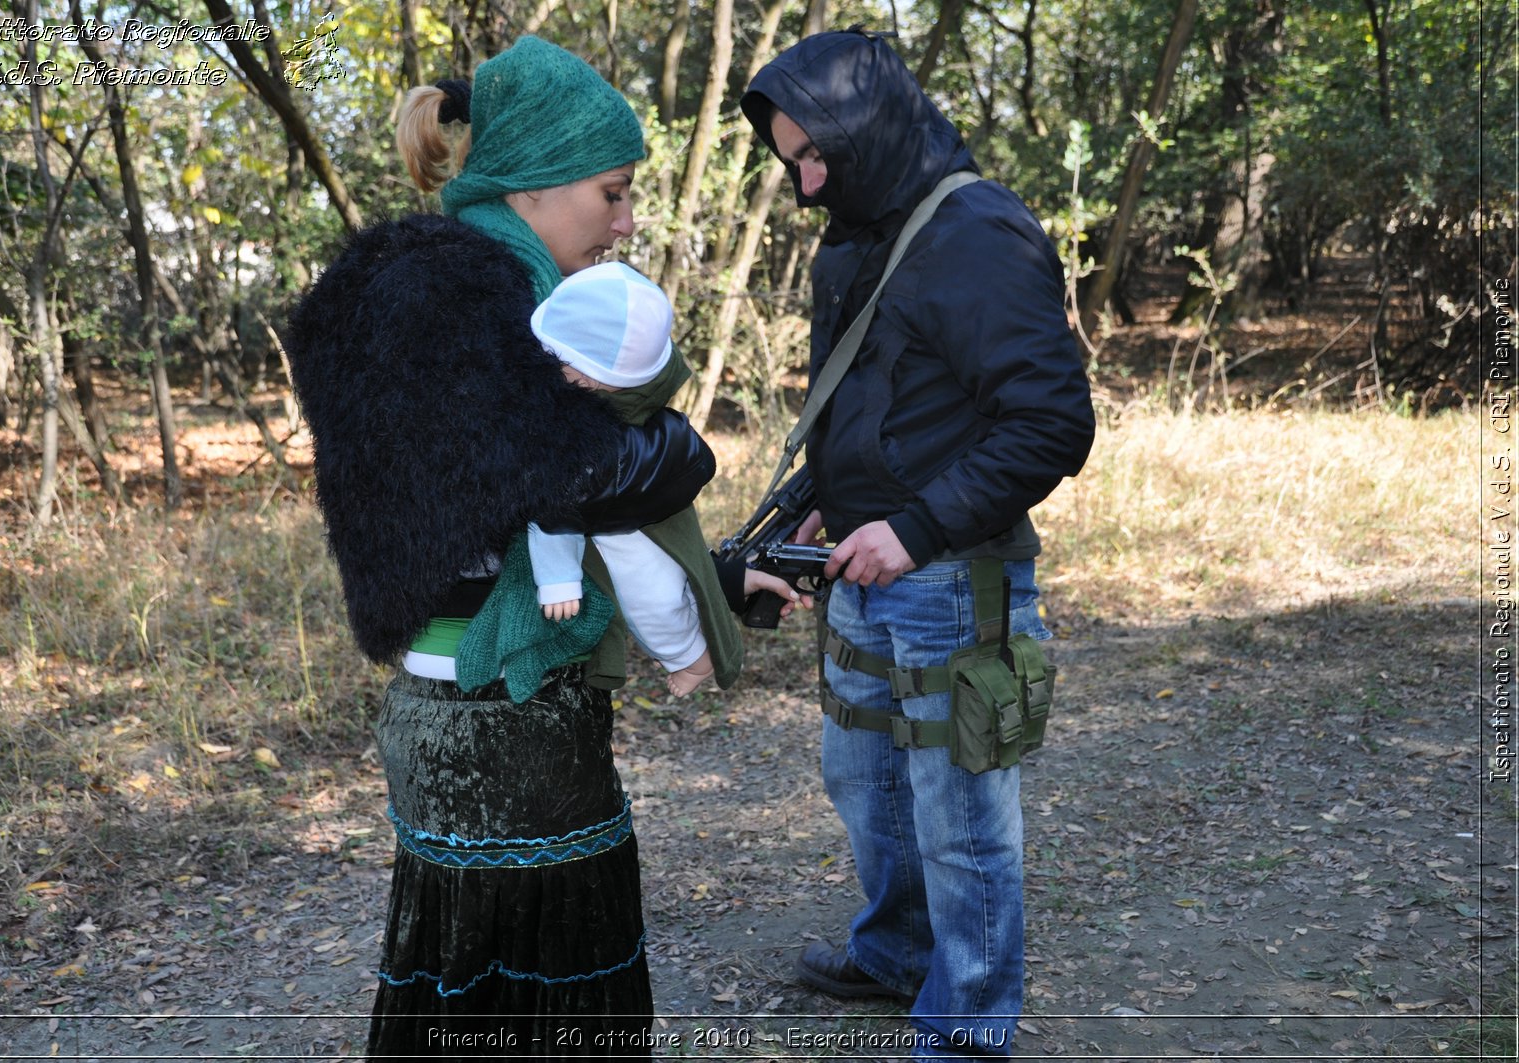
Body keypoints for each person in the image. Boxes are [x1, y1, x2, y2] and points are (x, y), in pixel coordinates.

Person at [284, 36, 800, 1057]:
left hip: (480, 699)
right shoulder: (447, 297)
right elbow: (580, 477)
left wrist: (721, 574)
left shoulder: (459, 288)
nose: (626, 221)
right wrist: (674, 438)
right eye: (610, 193)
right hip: (493, 711)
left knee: (482, 986)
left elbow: (534, 501)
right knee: (546, 991)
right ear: (529, 186)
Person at [741, 30, 1096, 1058]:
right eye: (789, 160)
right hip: (862, 563)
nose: (803, 185)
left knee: (960, 815)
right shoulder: (857, 229)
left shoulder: (976, 229)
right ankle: (896, 952)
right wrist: (817, 499)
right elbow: (868, 406)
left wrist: (913, 526)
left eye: (816, 156)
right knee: (864, 785)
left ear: (870, 131)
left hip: (948, 575)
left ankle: (969, 1019)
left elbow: (1051, 424)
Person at [526, 261, 722, 698]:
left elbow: (557, 503)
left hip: (627, 523)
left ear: (594, 381)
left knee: (652, 595)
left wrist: (556, 578)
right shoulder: (591, 396)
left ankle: (690, 655)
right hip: (642, 509)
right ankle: (689, 651)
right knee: (663, 585)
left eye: (561, 363)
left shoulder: (578, 420)